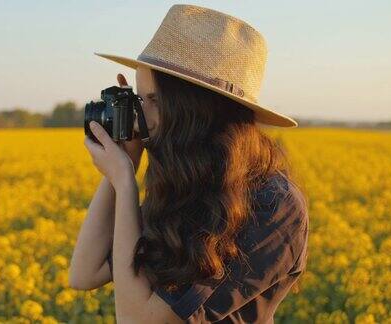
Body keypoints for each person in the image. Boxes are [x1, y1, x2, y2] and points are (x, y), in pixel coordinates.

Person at [71, 4, 309, 323]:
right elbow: (85, 272)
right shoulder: (191, 183)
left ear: (197, 110)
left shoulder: (272, 204)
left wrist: (125, 182)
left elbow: (138, 321)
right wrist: (123, 164)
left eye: (153, 100)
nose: (143, 117)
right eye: (139, 100)